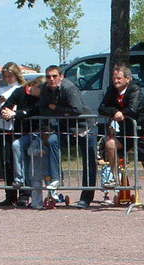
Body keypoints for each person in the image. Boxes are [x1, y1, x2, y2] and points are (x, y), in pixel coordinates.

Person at [99, 64, 144, 209]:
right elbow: (102, 108)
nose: (116, 81)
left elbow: (133, 109)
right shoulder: (111, 90)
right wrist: (114, 112)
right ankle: (115, 180)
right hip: (127, 131)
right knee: (110, 144)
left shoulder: (135, 89)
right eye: (114, 78)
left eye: (119, 78)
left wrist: (121, 113)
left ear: (128, 79)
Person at [39, 64, 97, 208]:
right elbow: (43, 109)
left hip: (85, 127)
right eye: (48, 77)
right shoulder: (45, 89)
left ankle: (86, 197)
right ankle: (56, 178)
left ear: (61, 76)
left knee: (89, 162)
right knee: (52, 140)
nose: (51, 79)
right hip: (66, 128)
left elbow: (76, 110)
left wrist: (55, 109)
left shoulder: (69, 88)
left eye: (54, 76)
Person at [2, 75, 44, 208]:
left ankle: (26, 193)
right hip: (20, 132)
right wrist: (6, 113)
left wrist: (16, 114)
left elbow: (34, 110)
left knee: (30, 158)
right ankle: (18, 181)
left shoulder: (41, 97)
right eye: (41, 90)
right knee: (15, 149)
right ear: (35, 86)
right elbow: (6, 106)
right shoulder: (19, 92)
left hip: (36, 133)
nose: (42, 94)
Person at [0, 62, 24, 207]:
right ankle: (10, 194)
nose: (8, 78)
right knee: (7, 162)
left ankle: (23, 193)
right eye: (6, 76)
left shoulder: (21, 89)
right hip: (5, 129)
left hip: (18, 129)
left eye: (10, 76)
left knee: (20, 163)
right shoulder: (1, 89)